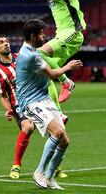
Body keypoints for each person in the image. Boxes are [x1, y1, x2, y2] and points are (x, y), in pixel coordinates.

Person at [6, 0, 86, 103]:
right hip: (62, 35)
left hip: (72, 33)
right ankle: (59, 114)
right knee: (47, 73)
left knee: (39, 53)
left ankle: (66, 82)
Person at [16, 19, 82, 189]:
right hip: (31, 102)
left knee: (64, 141)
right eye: (42, 34)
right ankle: (39, 172)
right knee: (58, 132)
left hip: (44, 99)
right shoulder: (30, 55)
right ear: (33, 35)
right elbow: (52, 74)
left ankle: (50, 177)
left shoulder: (34, 51)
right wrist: (68, 67)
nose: (45, 36)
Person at [0, 33, 69, 180]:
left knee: (56, 131)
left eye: (7, 41)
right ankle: (16, 165)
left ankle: (56, 168)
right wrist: (8, 109)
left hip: (39, 99)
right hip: (20, 105)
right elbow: (2, 96)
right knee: (28, 127)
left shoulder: (22, 57)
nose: (6, 44)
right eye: (1, 42)